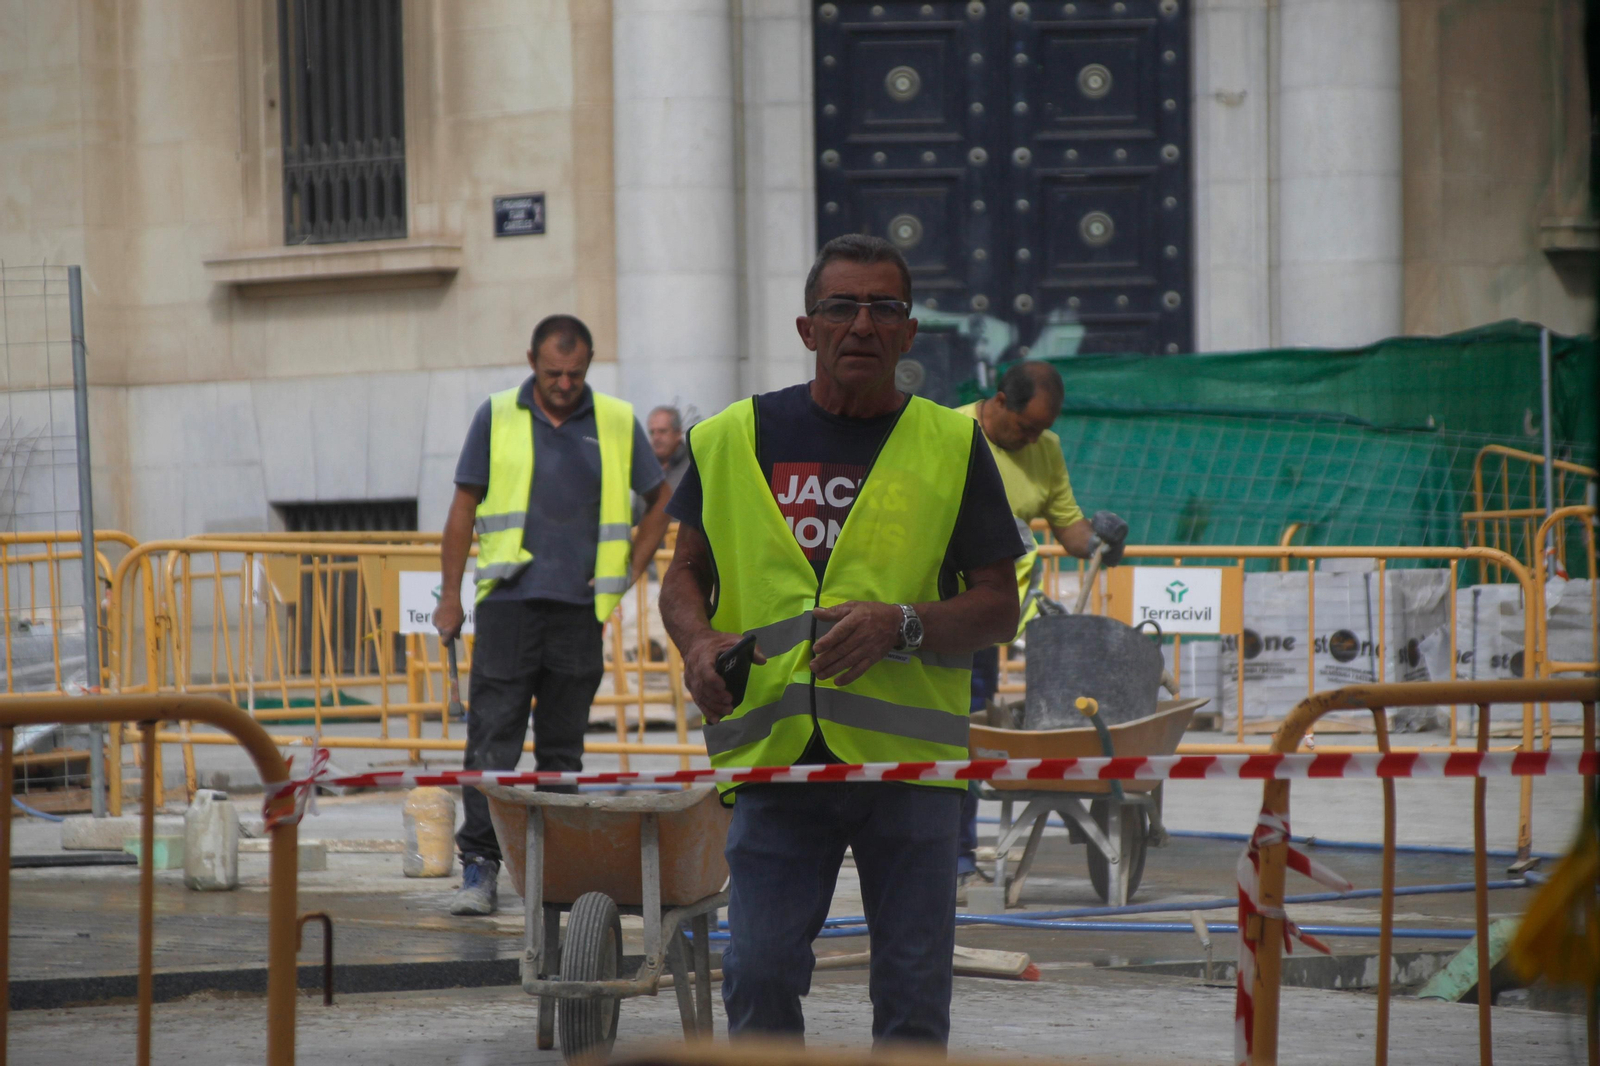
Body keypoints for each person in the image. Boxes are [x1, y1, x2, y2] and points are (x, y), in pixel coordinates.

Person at [659, 234, 1024, 1046]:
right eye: (841, 307)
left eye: (883, 308)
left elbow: (1000, 604)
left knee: (914, 994)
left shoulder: (952, 445)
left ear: (908, 332)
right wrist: (695, 643)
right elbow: (684, 577)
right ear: (806, 328)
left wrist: (905, 622)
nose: (862, 324)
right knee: (756, 976)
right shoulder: (731, 438)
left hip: (910, 773)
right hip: (778, 759)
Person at [435, 314, 671, 916]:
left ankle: (553, 873)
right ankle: (480, 869)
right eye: (552, 373)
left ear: (589, 365)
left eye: (575, 373)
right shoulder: (496, 415)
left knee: (563, 753)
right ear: (531, 363)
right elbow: (463, 508)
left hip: (579, 613)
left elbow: (661, 499)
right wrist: (450, 594)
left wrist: (627, 573)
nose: (564, 384)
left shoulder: (616, 421)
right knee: (492, 746)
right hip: (509, 606)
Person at [953, 361, 1129, 887]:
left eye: (1040, 430)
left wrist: (1102, 538)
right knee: (945, 733)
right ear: (1000, 401)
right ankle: (951, 857)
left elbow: (1069, 530)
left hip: (991, 619)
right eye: (1025, 428)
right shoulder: (950, 435)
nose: (1032, 438)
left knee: (970, 732)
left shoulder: (1045, 449)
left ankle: (959, 856)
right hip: (943, 612)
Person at [647, 405, 691, 492]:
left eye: (662, 431)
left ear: (678, 433)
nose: (656, 437)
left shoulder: (693, 466)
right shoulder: (646, 467)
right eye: (652, 432)